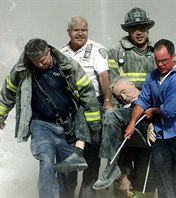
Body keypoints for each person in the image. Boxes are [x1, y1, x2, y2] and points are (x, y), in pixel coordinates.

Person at [0, 38, 102, 198]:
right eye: (35, 62)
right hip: (41, 126)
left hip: (68, 127)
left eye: (42, 60)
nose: (40, 65)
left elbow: (87, 92)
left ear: (49, 51)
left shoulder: (68, 66)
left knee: (68, 175)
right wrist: (1, 116)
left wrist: (93, 123)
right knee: (46, 162)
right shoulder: (22, 70)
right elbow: (7, 93)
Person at [93, 7, 157, 197]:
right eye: (134, 28)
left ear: (148, 29)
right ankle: (112, 168)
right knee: (123, 180)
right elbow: (112, 84)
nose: (139, 32)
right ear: (128, 30)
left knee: (146, 178)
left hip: (151, 116)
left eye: (143, 27)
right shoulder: (115, 52)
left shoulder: (157, 51)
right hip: (124, 118)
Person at [125, 39, 176, 198]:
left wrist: (152, 111)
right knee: (161, 171)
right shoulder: (152, 77)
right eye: (157, 61)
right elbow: (142, 100)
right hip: (161, 131)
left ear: (173, 57)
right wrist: (132, 124)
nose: (160, 65)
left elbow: (170, 110)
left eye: (164, 61)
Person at [55, 16, 113, 198]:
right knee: (67, 162)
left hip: (92, 110)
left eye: (84, 30)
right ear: (68, 32)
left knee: (91, 163)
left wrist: (108, 101)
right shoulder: (60, 52)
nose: (80, 33)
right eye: (76, 30)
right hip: (68, 112)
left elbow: (104, 77)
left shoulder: (97, 50)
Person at [93, 76, 156, 197]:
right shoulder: (121, 113)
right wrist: (122, 174)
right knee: (122, 190)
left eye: (124, 92)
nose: (124, 98)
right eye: (120, 97)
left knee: (144, 191)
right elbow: (117, 145)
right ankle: (112, 168)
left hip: (150, 149)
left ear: (132, 84)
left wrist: (154, 124)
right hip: (129, 149)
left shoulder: (151, 93)